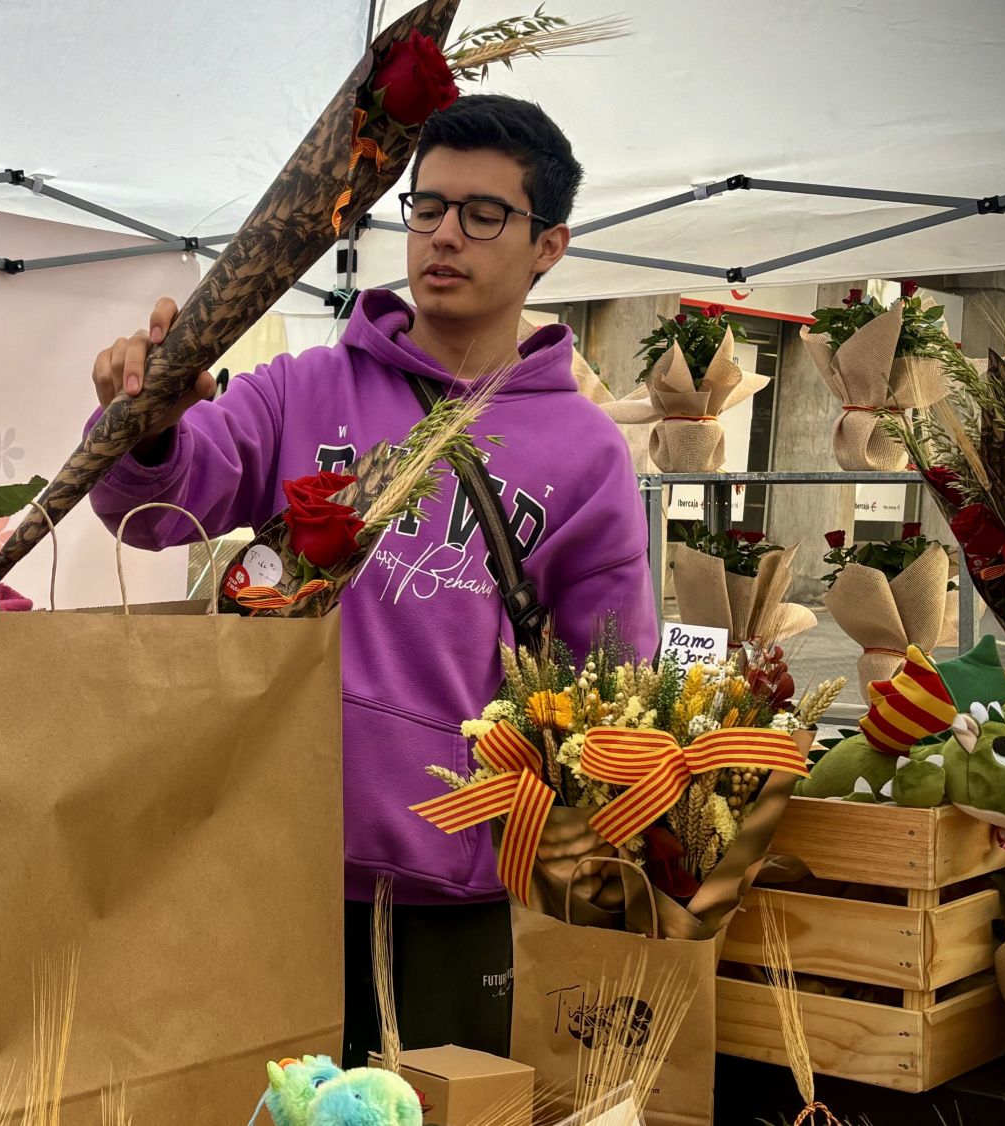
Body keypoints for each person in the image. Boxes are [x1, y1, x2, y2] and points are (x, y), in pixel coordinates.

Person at [87, 94, 657, 1061]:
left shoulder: (587, 452)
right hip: (263, 863)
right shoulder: (304, 387)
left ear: (549, 246)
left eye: (484, 214)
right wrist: (146, 424)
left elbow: (613, 683)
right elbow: (158, 504)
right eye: (427, 206)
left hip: (457, 898)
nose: (445, 234)